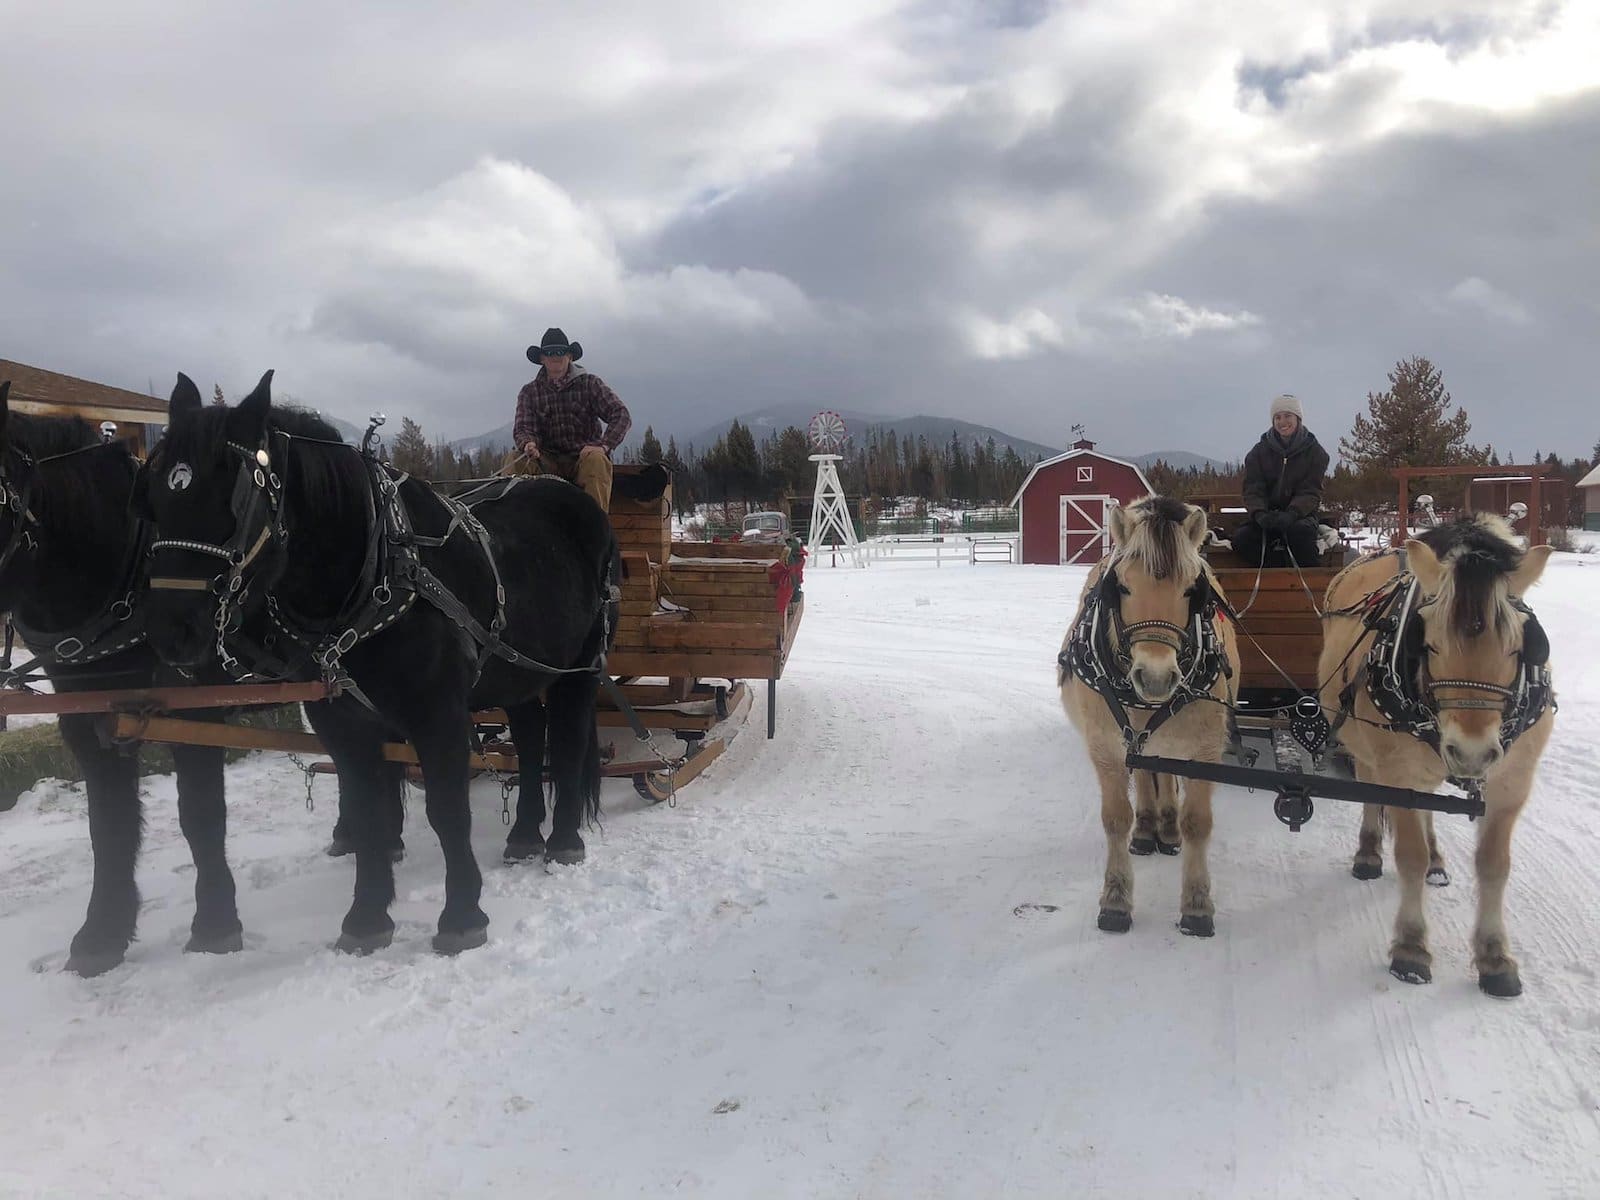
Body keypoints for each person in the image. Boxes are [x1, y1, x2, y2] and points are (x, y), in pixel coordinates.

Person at [512, 327, 632, 510]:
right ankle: (515, 529)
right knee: (515, 459)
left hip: (583, 460)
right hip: (546, 461)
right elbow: (524, 428)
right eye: (549, 352)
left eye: (560, 351)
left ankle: (594, 530)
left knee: (597, 462)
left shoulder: (590, 384)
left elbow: (621, 414)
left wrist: (603, 446)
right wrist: (528, 444)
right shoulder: (529, 392)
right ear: (542, 358)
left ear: (570, 356)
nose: (555, 356)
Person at [1232, 394, 1330, 567]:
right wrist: (1260, 513)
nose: (1282, 422)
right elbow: (1253, 489)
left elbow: (1310, 491)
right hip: (1267, 516)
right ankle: (1273, 576)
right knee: (1242, 539)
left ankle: (1310, 585)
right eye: (1277, 417)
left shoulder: (1316, 453)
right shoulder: (1258, 453)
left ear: (1298, 418)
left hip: (1300, 516)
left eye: (1287, 416)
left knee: (1301, 535)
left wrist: (1292, 513)